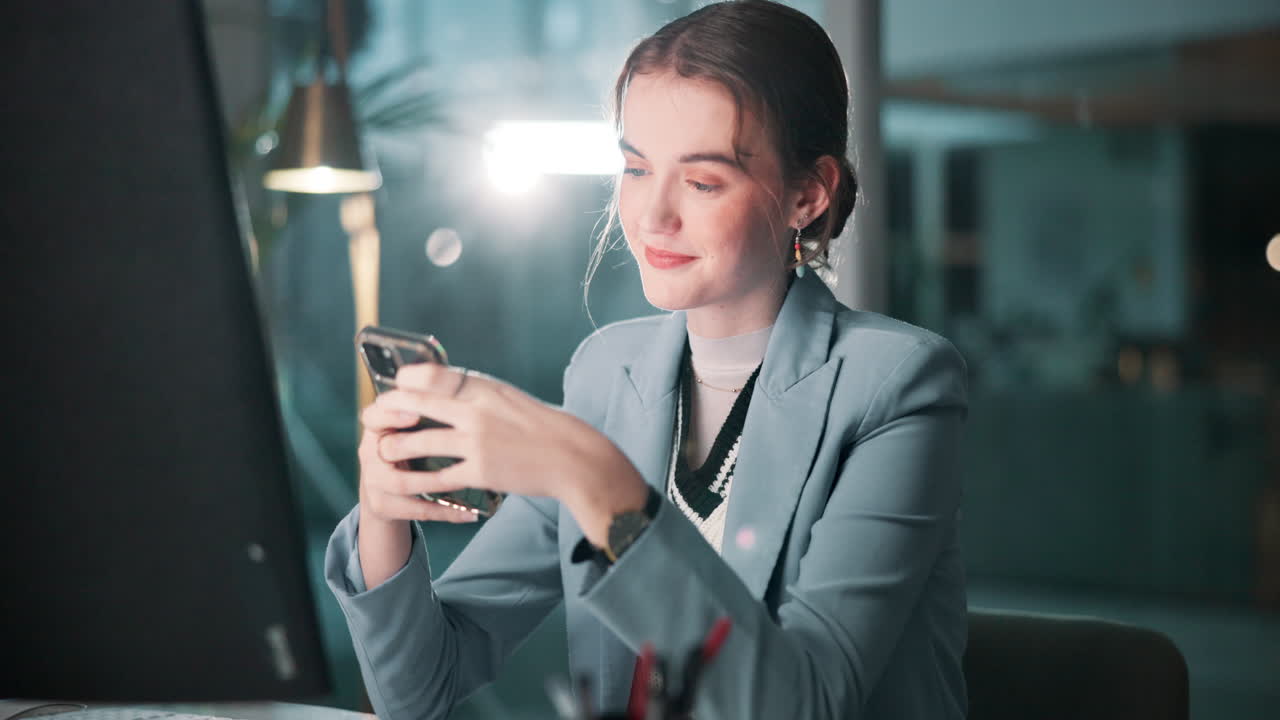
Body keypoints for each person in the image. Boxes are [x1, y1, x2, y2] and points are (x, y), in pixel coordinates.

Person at [324, 1, 968, 718]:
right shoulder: (607, 375)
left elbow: (805, 705)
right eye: (635, 168)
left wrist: (592, 477)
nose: (652, 216)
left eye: (701, 182)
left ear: (806, 195)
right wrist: (383, 516)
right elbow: (422, 688)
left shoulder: (898, 385)